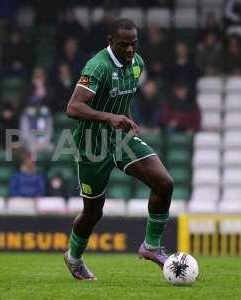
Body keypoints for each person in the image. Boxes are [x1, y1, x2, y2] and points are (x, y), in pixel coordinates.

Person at [64, 19, 174, 280]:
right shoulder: (97, 65)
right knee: (93, 213)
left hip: (121, 140)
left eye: (134, 44)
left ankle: (151, 246)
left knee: (164, 183)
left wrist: (124, 118)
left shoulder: (138, 64)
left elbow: (121, 98)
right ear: (110, 41)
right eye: (123, 45)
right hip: (92, 146)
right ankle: (74, 257)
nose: (129, 50)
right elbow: (73, 108)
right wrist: (109, 117)